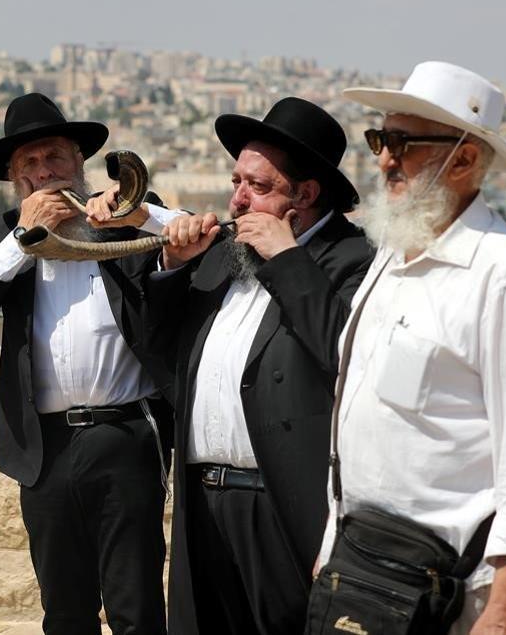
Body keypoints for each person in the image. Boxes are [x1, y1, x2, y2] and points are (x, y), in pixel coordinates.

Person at [317, 61, 506, 634]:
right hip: (363, 568)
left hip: (452, 593)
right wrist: (333, 543)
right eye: (381, 139)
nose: (384, 159)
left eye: (403, 143)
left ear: (463, 159)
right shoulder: (390, 255)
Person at [134, 97, 372, 634]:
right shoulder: (222, 254)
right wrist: (172, 267)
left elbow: (349, 357)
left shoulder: (352, 261)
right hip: (204, 503)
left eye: (258, 187)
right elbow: (158, 349)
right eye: (236, 181)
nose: (238, 199)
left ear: (306, 196)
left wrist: (288, 259)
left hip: (283, 506)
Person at [0, 93, 177, 635]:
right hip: (44, 449)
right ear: (13, 179)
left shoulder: (123, 215)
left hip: (123, 436)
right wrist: (24, 241)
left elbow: (183, 235)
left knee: (136, 606)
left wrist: (131, 213)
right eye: (29, 164)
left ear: (79, 163)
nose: (44, 173)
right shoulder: (4, 236)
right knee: (65, 610)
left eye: (55, 158)